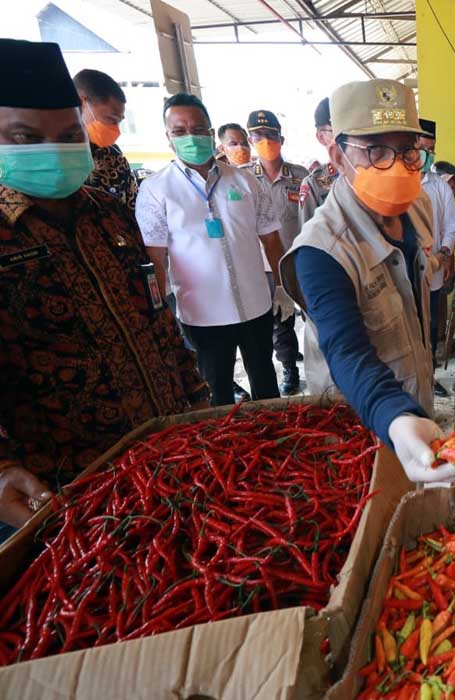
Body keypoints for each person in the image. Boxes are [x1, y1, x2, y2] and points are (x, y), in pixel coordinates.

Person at [0, 40, 208, 533]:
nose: (54, 150)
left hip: (171, 453)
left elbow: (158, 319)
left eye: (70, 134)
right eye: (26, 138)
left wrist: (199, 400)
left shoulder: (111, 214)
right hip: (68, 494)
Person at [279, 79, 455, 485]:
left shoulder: (415, 206)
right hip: (360, 420)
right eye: (377, 151)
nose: (398, 165)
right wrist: (396, 420)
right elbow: (347, 353)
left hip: (411, 401)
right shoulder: (321, 249)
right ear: (337, 154)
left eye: (408, 151)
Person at [136, 93, 293, 406]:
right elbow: (155, 258)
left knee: (265, 383)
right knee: (216, 392)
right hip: (202, 314)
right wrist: (161, 316)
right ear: (169, 138)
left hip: (255, 306)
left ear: (210, 132)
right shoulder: (156, 190)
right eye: (180, 131)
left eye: (198, 128)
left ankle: (274, 444)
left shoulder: (246, 181)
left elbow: (272, 240)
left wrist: (283, 290)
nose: (190, 136)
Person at [242, 109, 310, 394]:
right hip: (264, 265)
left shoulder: (301, 175)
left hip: (300, 259)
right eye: (259, 136)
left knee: (314, 313)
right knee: (280, 320)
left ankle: (324, 361)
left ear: (281, 138)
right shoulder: (244, 178)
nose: (266, 141)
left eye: (271, 135)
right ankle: (289, 369)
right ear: (249, 140)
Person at [417, 118, 455, 397]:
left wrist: (445, 254)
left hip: (431, 271)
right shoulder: (395, 183)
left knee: (431, 326)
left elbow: (452, 225)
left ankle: (429, 377)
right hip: (403, 274)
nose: (426, 155)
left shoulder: (439, 186)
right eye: (422, 148)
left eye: (431, 150)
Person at [73, 69, 137, 209]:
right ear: (81, 103)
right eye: (110, 120)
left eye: (118, 122)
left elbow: (132, 207)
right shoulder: (55, 156)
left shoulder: (113, 156)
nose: (115, 130)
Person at [299, 97, 339, 227]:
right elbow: (307, 237)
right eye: (337, 130)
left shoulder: (370, 171)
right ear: (321, 137)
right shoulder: (316, 182)